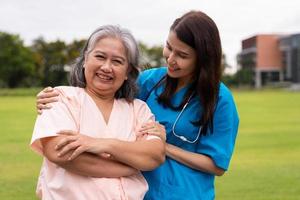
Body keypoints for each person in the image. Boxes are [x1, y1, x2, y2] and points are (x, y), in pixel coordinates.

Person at [36, 10, 239, 200]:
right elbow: (104, 90)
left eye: (183, 55)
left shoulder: (219, 99)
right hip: (142, 193)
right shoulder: (149, 82)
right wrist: (54, 97)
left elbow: (216, 165)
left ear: (202, 59)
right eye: (169, 47)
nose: (171, 59)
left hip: (186, 193)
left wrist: (164, 147)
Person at [30, 25, 165, 200]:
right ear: (86, 59)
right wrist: (131, 165)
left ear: (128, 72)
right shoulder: (60, 98)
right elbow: (59, 152)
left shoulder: (138, 109)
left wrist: (100, 144)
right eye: (100, 57)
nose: (106, 67)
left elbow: (154, 155)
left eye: (117, 61)